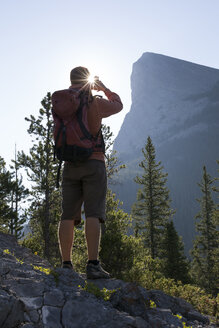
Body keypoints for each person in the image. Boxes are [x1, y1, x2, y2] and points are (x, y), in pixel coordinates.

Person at [57, 66, 123, 279]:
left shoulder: (61, 103)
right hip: (93, 162)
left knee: (67, 215)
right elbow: (118, 105)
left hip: (69, 164)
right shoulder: (94, 102)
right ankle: (93, 265)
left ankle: (66, 265)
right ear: (87, 81)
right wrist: (103, 88)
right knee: (93, 213)